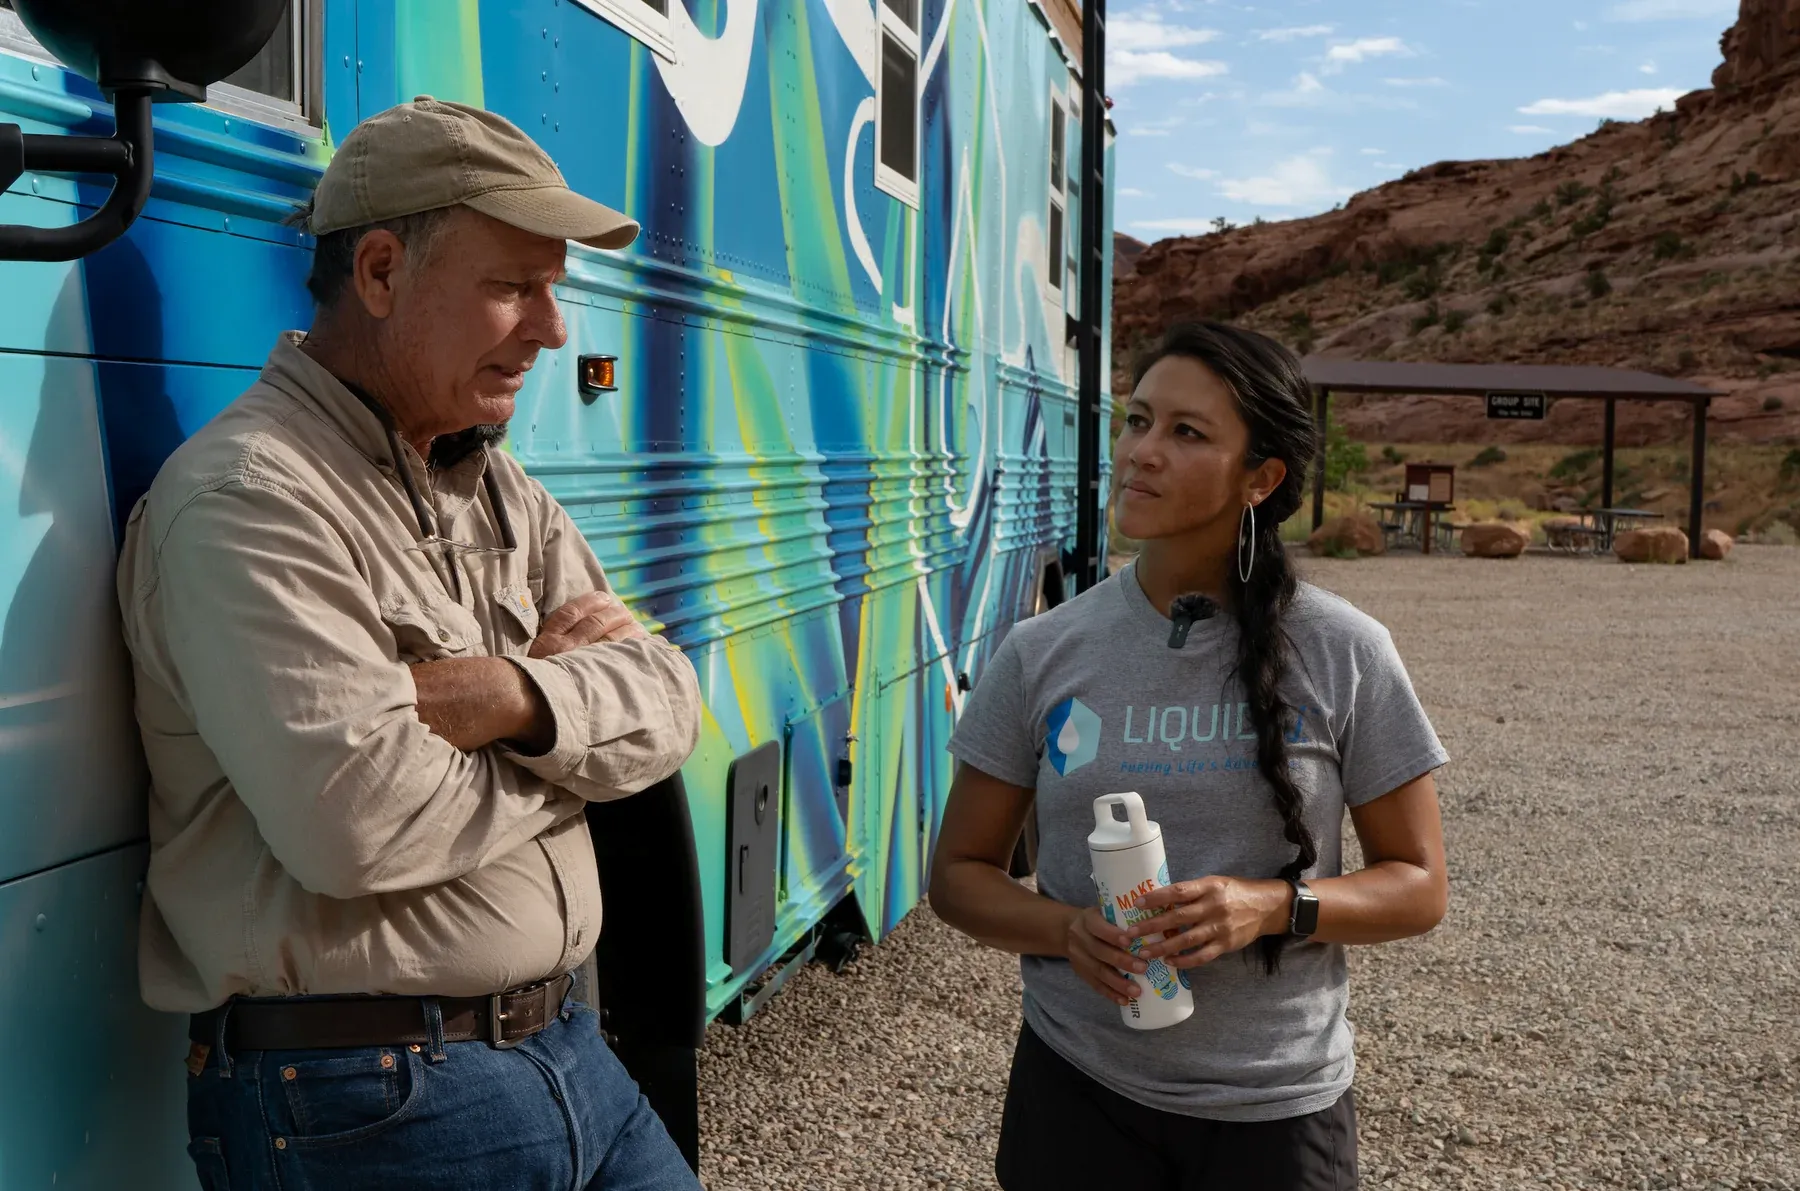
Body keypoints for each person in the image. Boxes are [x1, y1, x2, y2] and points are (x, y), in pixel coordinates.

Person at [115, 96, 705, 1191]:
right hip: (372, 1101)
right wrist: (578, 754)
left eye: (553, 291)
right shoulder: (251, 501)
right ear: (381, 274)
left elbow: (672, 701)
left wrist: (512, 704)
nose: (553, 329)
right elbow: (358, 827)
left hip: (569, 1050)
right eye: (513, 288)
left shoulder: (500, 488)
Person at [929, 322, 1451, 1190]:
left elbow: (1419, 886)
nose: (1142, 453)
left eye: (1187, 432)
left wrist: (1269, 906)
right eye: (1138, 420)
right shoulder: (1041, 650)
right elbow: (958, 876)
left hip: (1277, 1111)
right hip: (1077, 1097)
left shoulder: (1343, 650)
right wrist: (1066, 930)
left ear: (1262, 478)